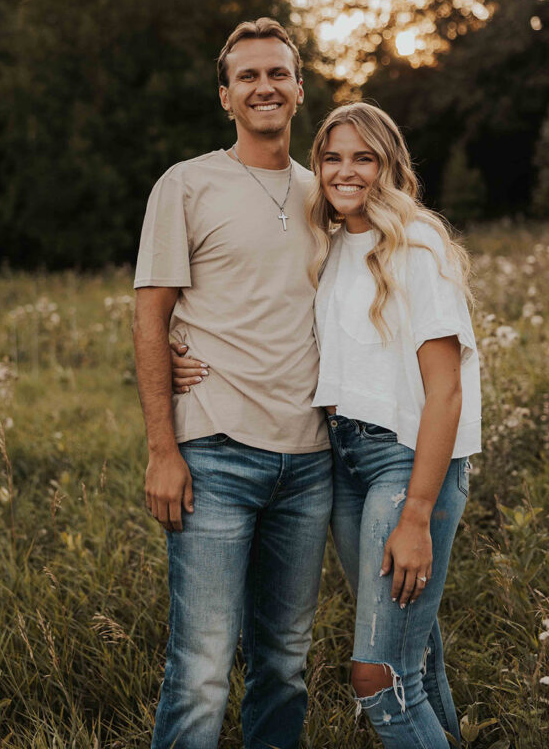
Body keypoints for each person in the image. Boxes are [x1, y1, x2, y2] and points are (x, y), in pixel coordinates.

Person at [174, 102, 481, 748]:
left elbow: (446, 393)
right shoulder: (331, 243)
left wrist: (417, 514)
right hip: (342, 459)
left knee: (377, 678)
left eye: (362, 158)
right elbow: (257, 315)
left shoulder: (416, 246)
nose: (345, 172)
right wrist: (179, 355)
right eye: (332, 158)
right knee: (414, 656)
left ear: (388, 166)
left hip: (405, 461)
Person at [132, 18, 332, 749]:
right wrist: (163, 447)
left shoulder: (327, 195)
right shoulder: (186, 184)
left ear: (299, 89)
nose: (263, 87)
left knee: (285, 663)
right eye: (246, 76)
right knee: (203, 667)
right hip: (214, 452)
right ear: (225, 96)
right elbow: (150, 316)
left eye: (277, 73)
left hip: (311, 462)